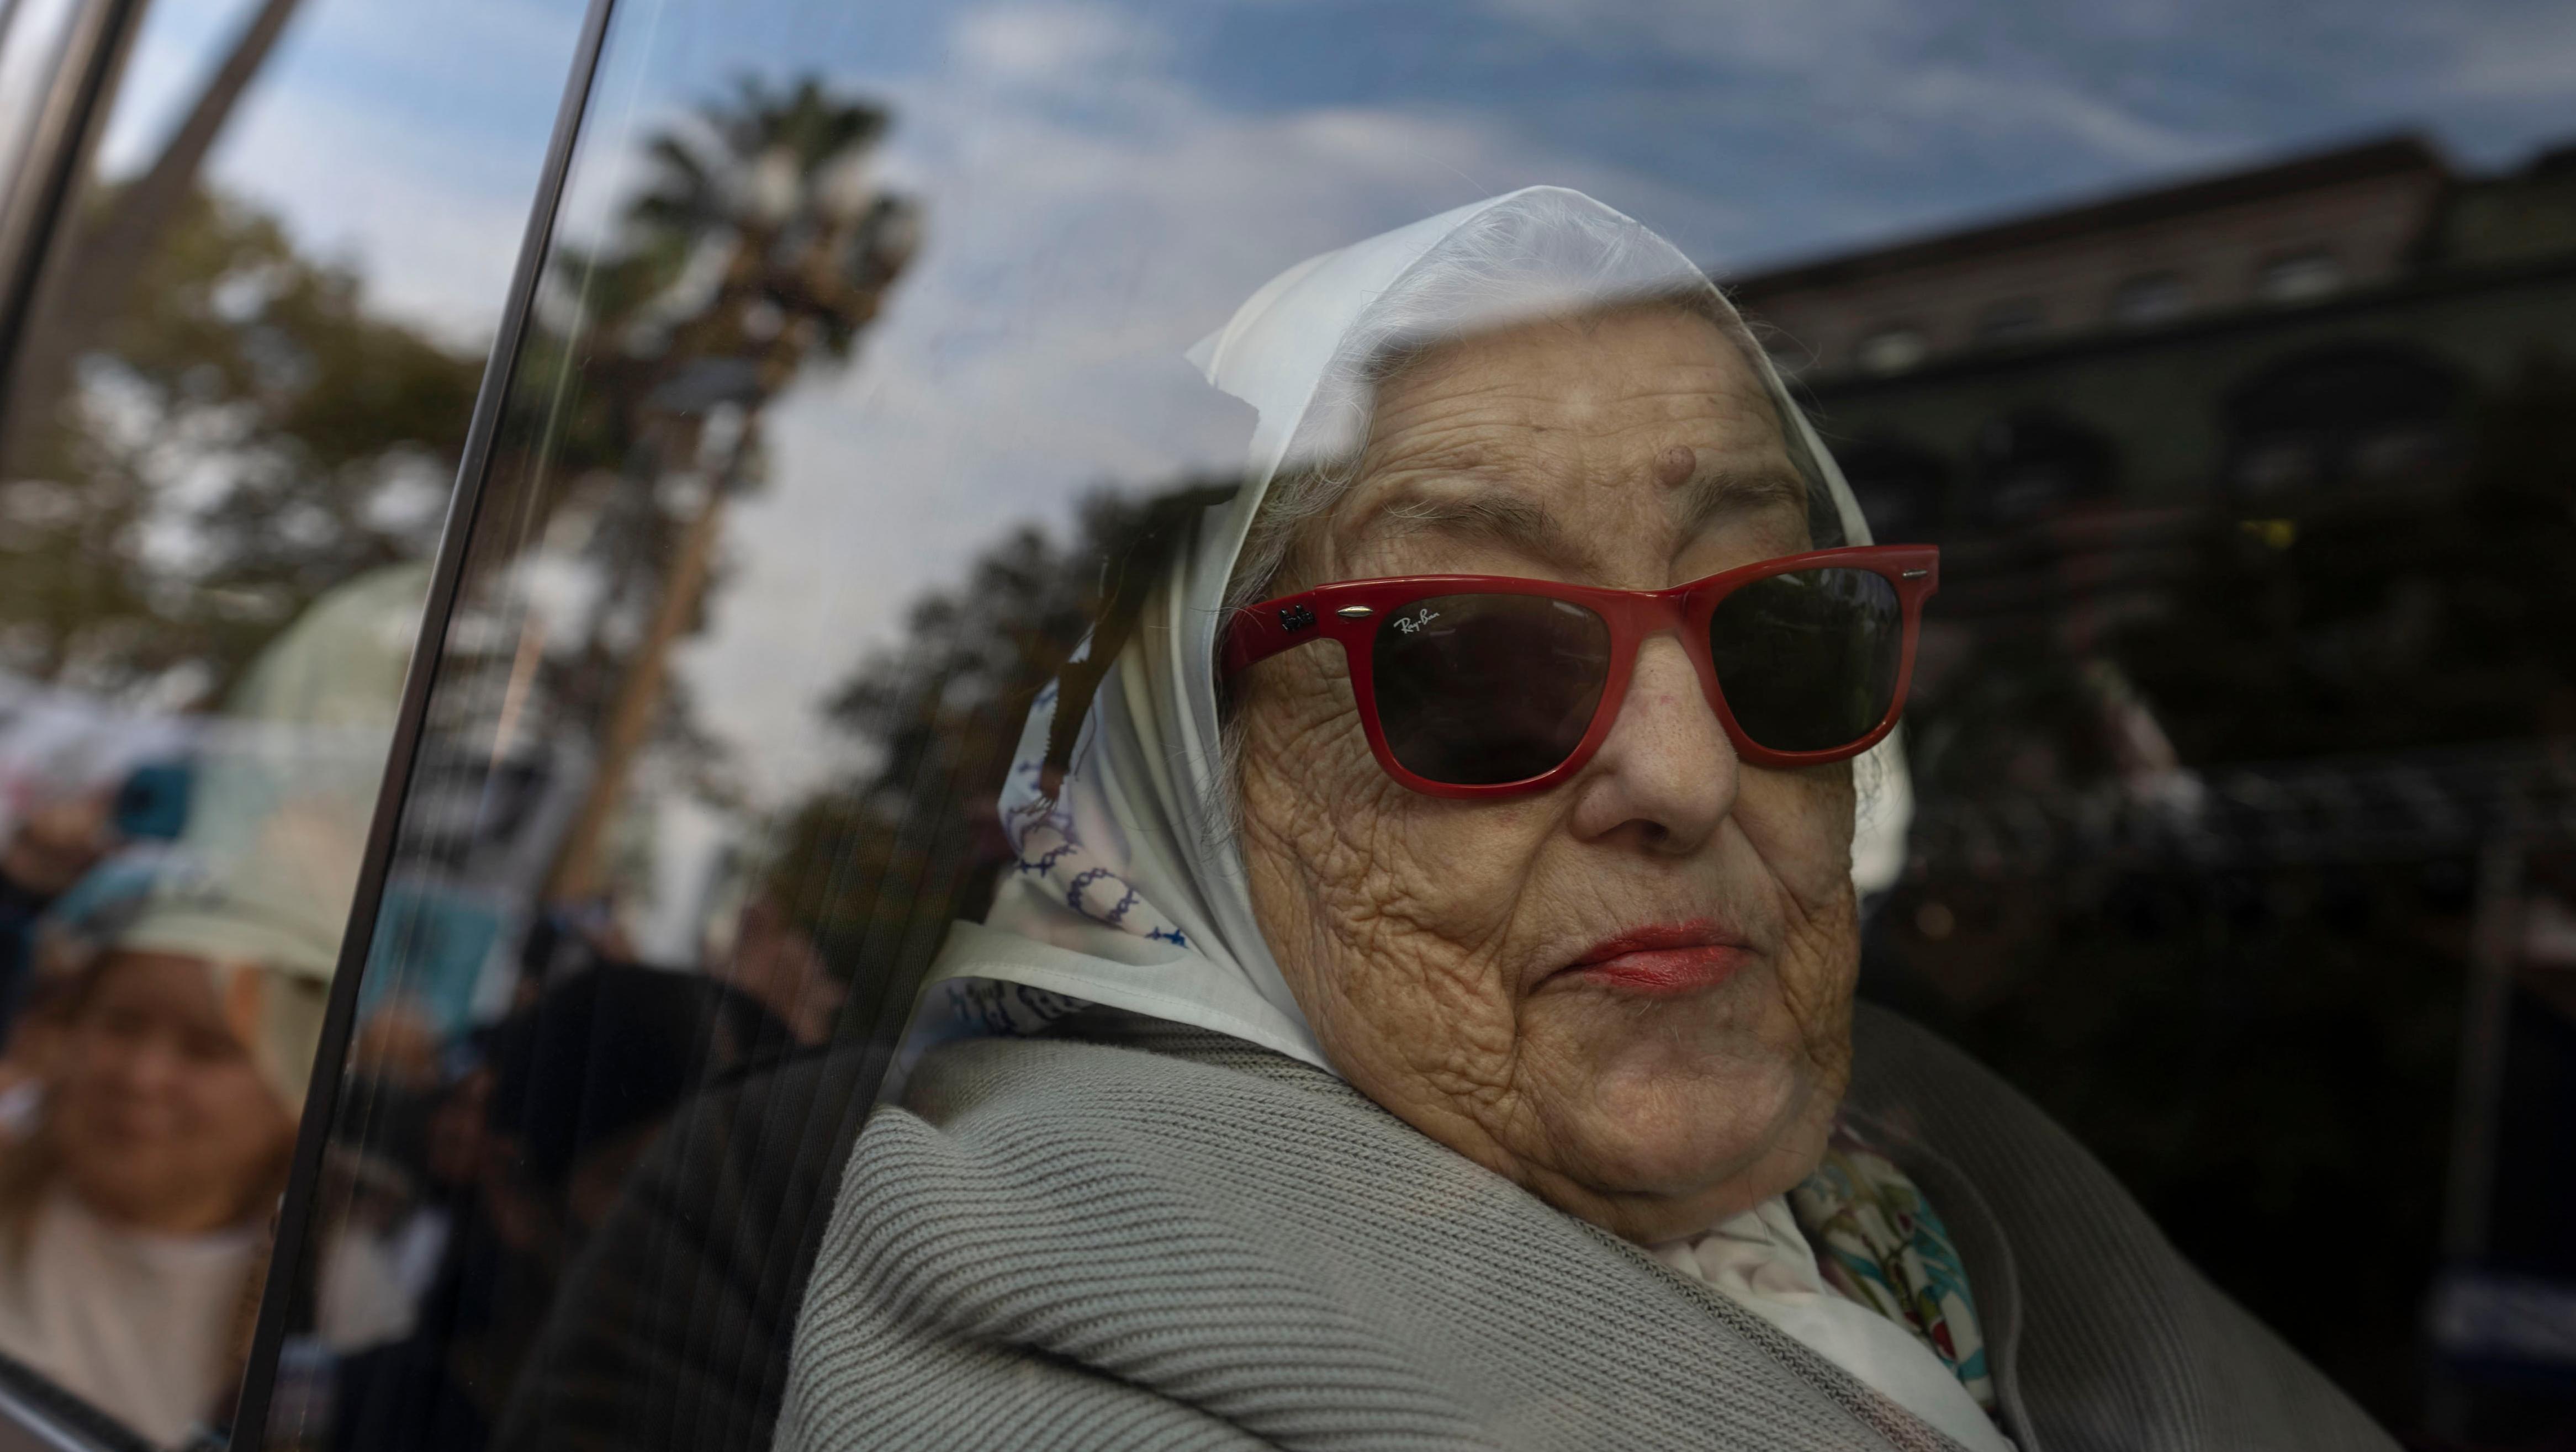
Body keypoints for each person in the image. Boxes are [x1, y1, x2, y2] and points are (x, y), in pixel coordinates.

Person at [767, 189, 2394, 1450]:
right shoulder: (1030, 1295)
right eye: (1472, 662)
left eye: (1776, 629)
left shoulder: (1945, 1179)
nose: (1684, 780)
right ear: (1197, 787)